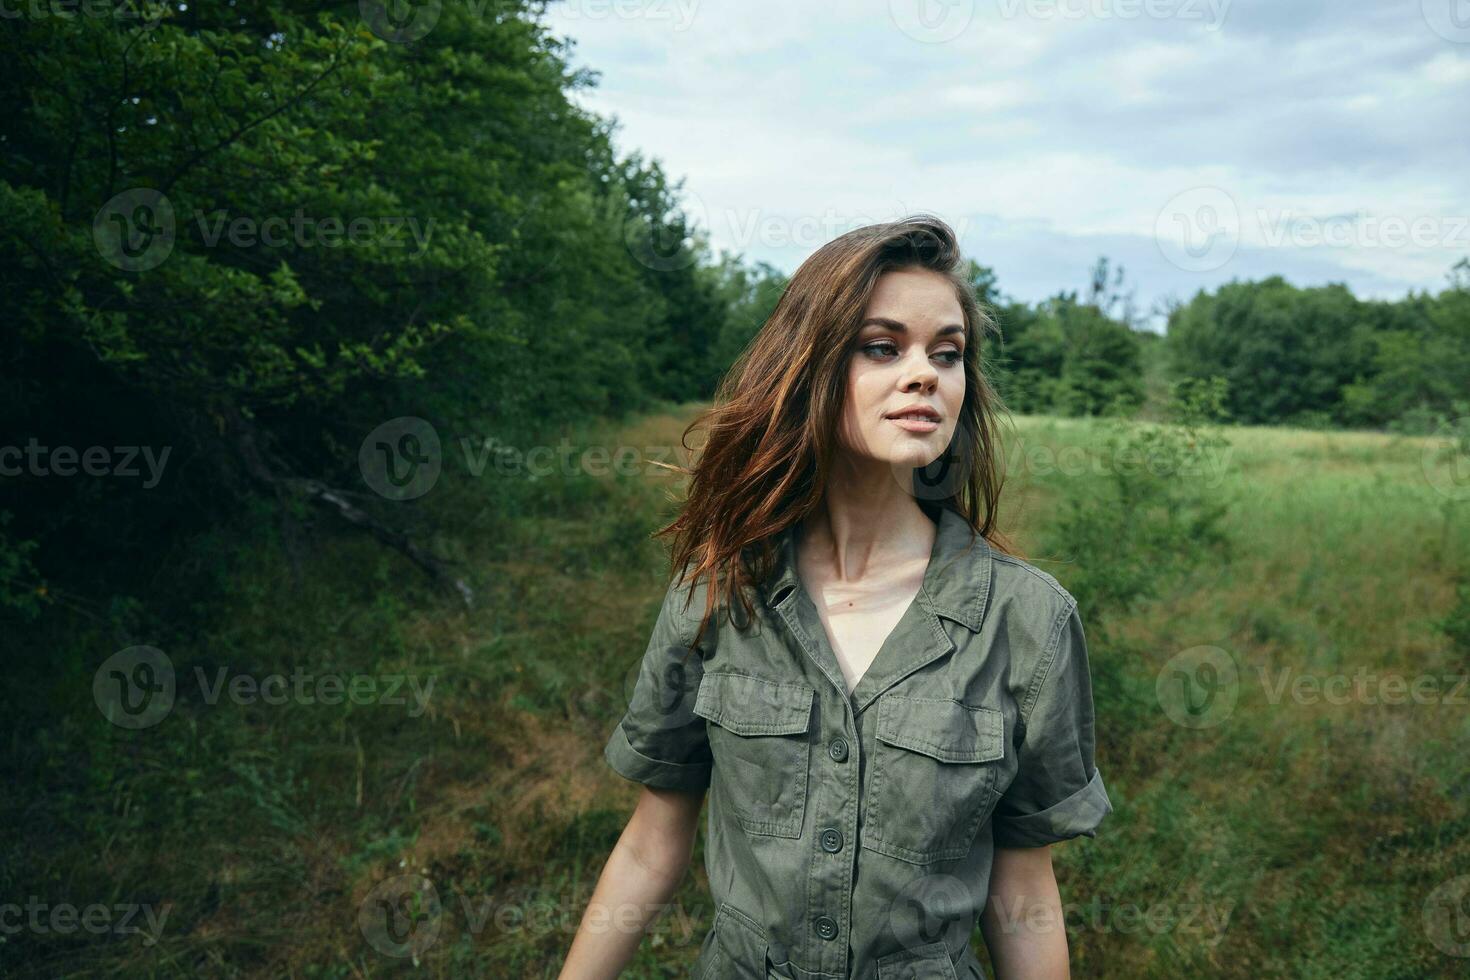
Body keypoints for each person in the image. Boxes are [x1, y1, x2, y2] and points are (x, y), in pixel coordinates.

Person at [559, 215, 1112, 980]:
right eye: (882, 347)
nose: (924, 374)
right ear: (812, 367)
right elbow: (653, 843)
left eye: (946, 354)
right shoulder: (720, 594)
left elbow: (1022, 895)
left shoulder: (1029, 621)